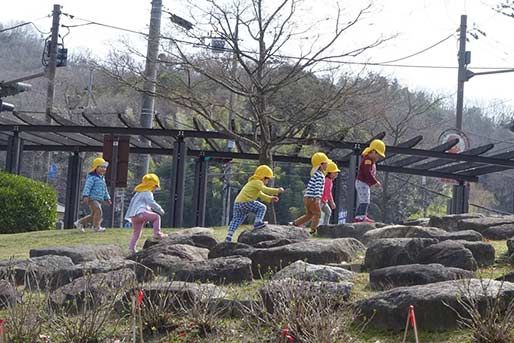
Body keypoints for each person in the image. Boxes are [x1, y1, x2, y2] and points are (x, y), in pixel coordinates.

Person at [225, 165, 284, 242]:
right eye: (268, 179)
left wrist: (270, 198)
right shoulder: (258, 182)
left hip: (237, 203)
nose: (268, 181)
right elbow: (265, 190)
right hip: (246, 202)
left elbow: (260, 194)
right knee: (262, 207)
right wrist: (277, 190)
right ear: (263, 177)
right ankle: (258, 222)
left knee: (236, 220)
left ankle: (229, 236)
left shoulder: (252, 183)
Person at [125, 173, 168, 254]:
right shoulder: (147, 192)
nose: (155, 189)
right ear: (152, 185)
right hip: (140, 213)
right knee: (156, 217)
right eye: (155, 187)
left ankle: (131, 248)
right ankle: (157, 233)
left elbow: (142, 205)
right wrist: (159, 209)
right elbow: (151, 202)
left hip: (134, 216)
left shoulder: (138, 193)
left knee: (136, 233)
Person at [291, 152, 329, 234]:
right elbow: (317, 187)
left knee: (309, 214)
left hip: (307, 197)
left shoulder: (315, 174)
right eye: (326, 163)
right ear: (321, 164)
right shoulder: (320, 175)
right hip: (313, 198)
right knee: (317, 214)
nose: (327, 165)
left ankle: (295, 224)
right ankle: (313, 231)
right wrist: (317, 199)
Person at [74, 157, 111, 232]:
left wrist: (107, 198)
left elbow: (105, 189)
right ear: (96, 168)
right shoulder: (92, 178)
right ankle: (96, 227)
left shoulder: (102, 179)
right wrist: (85, 196)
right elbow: (87, 187)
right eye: (101, 167)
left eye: (105, 167)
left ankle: (80, 223)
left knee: (94, 215)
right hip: (92, 198)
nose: (104, 169)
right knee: (99, 210)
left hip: (98, 199)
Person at [353, 139, 386, 223]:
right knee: (365, 200)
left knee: (365, 200)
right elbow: (367, 172)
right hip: (362, 182)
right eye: (378, 155)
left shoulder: (370, 160)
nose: (378, 157)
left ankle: (363, 215)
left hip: (364, 183)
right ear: (373, 152)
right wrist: (374, 182)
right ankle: (360, 217)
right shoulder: (367, 160)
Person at [320, 160, 340, 226]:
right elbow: (328, 192)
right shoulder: (328, 181)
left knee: (328, 212)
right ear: (329, 173)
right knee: (315, 214)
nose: (336, 175)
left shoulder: (327, 180)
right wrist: (332, 202)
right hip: (320, 200)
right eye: (335, 173)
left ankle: (325, 226)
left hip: (323, 201)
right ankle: (300, 223)